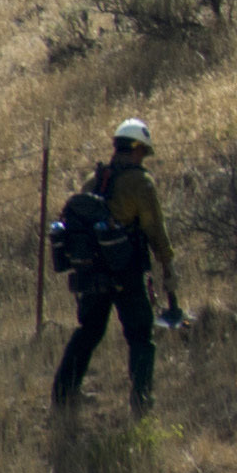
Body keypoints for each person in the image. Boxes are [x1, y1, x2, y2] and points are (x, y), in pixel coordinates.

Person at [49, 115, 185, 416]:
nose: (143, 158)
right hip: (127, 273)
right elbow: (154, 229)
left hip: (92, 276)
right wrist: (167, 264)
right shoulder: (140, 182)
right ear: (136, 149)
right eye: (143, 152)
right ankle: (141, 403)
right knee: (140, 337)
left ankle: (62, 394)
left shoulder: (94, 181)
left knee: (88, 332)